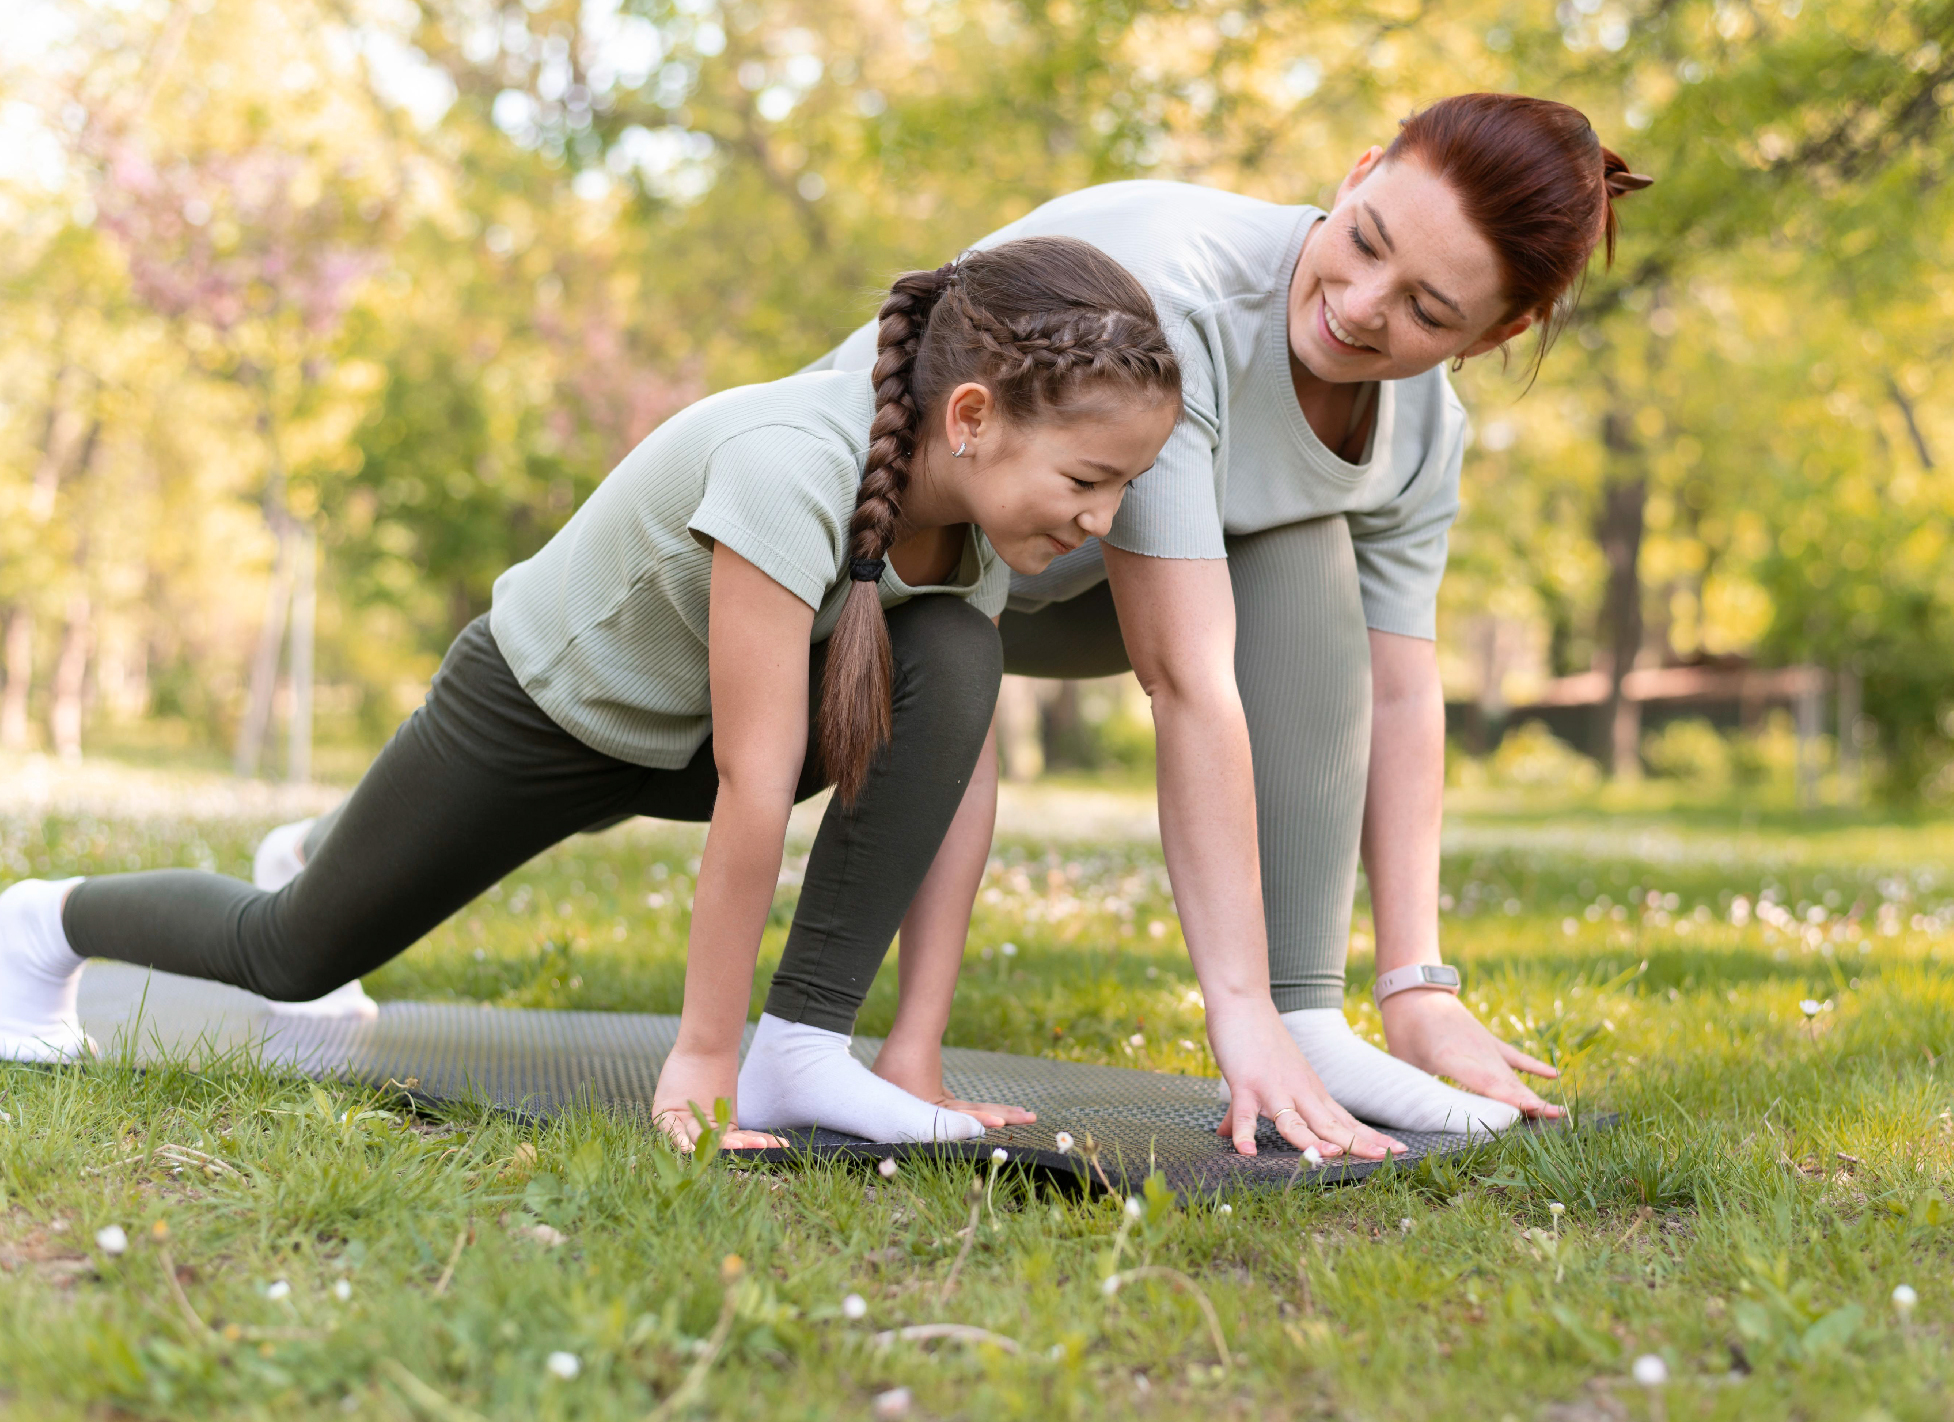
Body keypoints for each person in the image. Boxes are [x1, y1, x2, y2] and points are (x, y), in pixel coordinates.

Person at [0, 236, 1244, 1154]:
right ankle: (40, 922)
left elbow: (952, 778)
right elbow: (762, 788)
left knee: (965, 663)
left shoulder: (971, 526)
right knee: (290, 952)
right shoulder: (789, 470)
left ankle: (804, 1051)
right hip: (548, 709)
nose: (1104, 521)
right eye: (1091, 477)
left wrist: (908, 1047)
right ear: (971, 417)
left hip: (688, 737)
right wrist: (701, 1062)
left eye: (1125, 488)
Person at [809, 93, 1651, 1149]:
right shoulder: (1187, 296)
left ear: (1500, 331)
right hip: (839, 574)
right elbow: (1188, 679)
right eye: (1365, 241)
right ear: (1355, 172)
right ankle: (1274, 1014)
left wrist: (1417, 986)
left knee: (1301, 538)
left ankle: (1314, 1012)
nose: (1361, 306)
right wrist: (1232, 1015)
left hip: (1035, 592)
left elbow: (1395, 691)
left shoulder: (1424, 430)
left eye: (1430, 313)